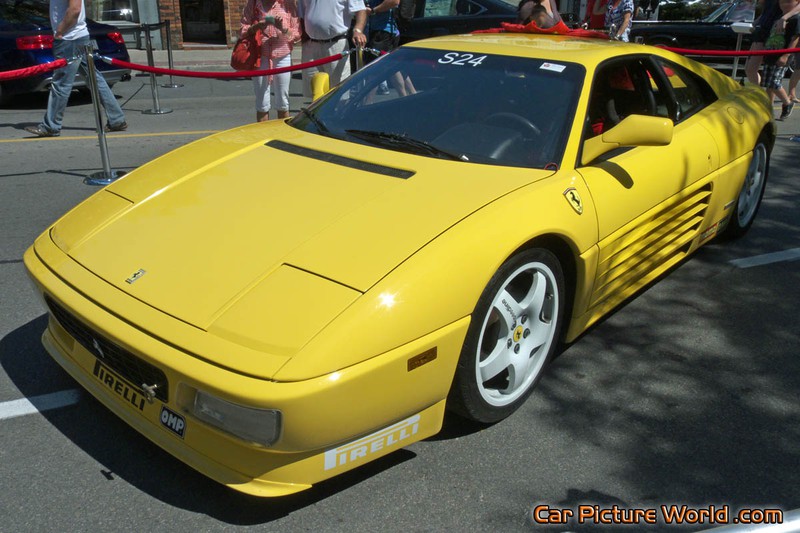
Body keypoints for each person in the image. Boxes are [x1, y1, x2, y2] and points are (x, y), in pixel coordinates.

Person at [25, 0, 126, 137]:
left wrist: (60, 31)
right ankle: (116, 119)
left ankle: (51, 126)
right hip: (75, 37)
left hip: (69, 38)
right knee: (94, 78)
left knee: (61, 83)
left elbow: (75, 9)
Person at [239, 0, 300, 122]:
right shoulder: (254, 3)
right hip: (260, 56)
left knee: (283, 101)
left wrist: (282, 28)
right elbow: (242, 30)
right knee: (262, 102)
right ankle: (263, 136)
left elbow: (297, 34)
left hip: (282, 56)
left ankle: (282, 135)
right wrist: (257, 27)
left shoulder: (287, 4)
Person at [297, 0, 367, 98]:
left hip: (336, 44)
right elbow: (301, 15)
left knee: (339, 92)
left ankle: (340, 113)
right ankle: (318, 113)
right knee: (314, 92)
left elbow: (360, 10)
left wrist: (358, 30)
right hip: (310, 45)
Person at [760, 0, 799, 120]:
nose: (784, 5)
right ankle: (768, 109)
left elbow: (795, 38)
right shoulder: (778, 17)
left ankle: (787, 102)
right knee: (767, 82)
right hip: (770, 53)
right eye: (781, 3)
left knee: (774, 82)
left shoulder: (796, 18)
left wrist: (786, 55)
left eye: (788, 2)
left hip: (782, 55)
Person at [745, 0, 800, 85]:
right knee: (750, 69)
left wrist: (784, 18)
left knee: (753, 69)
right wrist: (757, 21)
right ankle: (759, 93)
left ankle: (758, 93)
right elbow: (767, 10)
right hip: (763, 28)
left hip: (772, 31)